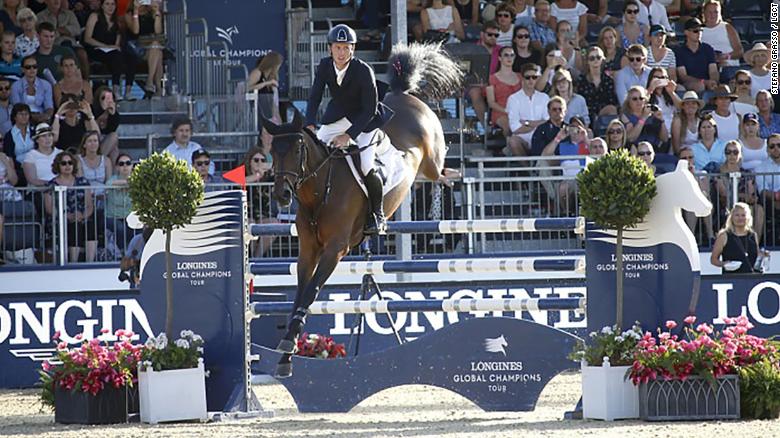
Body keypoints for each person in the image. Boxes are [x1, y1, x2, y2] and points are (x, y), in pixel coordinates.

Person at [304, 24, 393, 234]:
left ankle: (377, 215)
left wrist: (348, 136)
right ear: (330, 49)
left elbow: (370, 109)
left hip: (365, 120)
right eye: (338, 48)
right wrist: (309, 121)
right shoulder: (324, 66)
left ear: (353, 49)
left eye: (346, 48)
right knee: (315, 150)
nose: (342, 52)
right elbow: (315, 95)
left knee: (365, 165)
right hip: (340, 115)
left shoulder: (363, 70)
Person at [44, 150, 97, 262]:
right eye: (63, 163)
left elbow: (89, 205)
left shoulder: (83, 182)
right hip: (59, 220)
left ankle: (90, 262)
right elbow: (49, 208)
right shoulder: (51, 185)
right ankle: (73, 262)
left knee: (90, 226)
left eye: (70, 163)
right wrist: (67, 216)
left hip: (81, 218)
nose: (67, 166)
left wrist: (82, 215)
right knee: (74, 226)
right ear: (58, 166)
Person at [83, 0, 135, 100]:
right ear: (102, 6)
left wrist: (114, 46)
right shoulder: (94, 16)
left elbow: (117, 40)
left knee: (131, 57)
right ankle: (115, 89)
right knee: (117, 56)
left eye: (112, 4)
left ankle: (128, 91)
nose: (110, 7)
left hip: (111, 51)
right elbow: (87, 38)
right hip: (96, 49)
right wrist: (106, 46)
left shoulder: (117, 20)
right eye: (107, 4)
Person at [716, 140, 764, 243]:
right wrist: (742, 195)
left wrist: (747, 197)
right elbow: (723, 194)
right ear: (725, 154)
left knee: (758, 209)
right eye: (728, 152)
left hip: (744, 207)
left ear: (740, 154)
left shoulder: (747, 173)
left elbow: (752, 197)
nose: (732, 155)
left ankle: (755, 243)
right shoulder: (718, 172)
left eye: (735, 152)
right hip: (724, 206)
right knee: (733, 210)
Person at [505, 62, 549, 156]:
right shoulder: (513, 99)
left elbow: (548, 121)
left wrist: (527, 123)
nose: (531, 80)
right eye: (527, 77)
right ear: (522, 78)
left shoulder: (544, 97)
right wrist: (537, 125)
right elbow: (515, 127)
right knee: (513, 141)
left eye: (534, 77)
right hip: (522, 138)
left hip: (541, 137)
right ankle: (528, 170)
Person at [36, 0, 89, 76]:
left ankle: (85, 81)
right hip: (54, 45)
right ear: (46, 1)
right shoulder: (40, 16)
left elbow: (77, 30)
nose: (57, 1)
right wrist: (66, 30)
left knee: (82, 54)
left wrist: (59, 30)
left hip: (72, 44)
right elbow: (44, 33)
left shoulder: (69, 14)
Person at [243, 146, 278, 257]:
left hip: (264, 214)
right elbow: (236, 182)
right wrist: (257, 176)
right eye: (256, 160)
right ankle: (250, 257)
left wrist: (268, 170)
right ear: (249, 162)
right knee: (250, 224)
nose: (259, 163)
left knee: (273, 224)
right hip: (247, 214)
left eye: (263, 160)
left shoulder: (268, 177)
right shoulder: (242, 173)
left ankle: (257, 258)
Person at [124, 0, 164, 97]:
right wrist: (136, 12)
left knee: (157, 49)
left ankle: (150, 82)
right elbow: (135, 31)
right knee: (158, 54)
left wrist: (157, 12)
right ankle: (157, 89)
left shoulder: (152, 12)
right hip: (137, 48)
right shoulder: (129, 14)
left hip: (152, 47)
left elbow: (158, 31)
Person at [710, 202, 760, 274]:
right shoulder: (724, 236)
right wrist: (724, 264)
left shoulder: (753, 235)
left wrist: (763, 256)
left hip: (751, 278)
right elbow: (713, 259)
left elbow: (756, 256)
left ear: (748, 217)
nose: (740, 218)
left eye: (743, 215)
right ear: (732, 217)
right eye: (737, 215)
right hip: (731, 278)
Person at [679, 146, 714, 243]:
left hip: (699, 200)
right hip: (682, 202)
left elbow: (705, 190)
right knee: (690, 203)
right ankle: (691, 236)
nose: (688, 160)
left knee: (705, 200)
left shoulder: (702, 173)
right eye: (684, 158)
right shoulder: (676, 174)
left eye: (690, 157)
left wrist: (693, 175)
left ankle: (710, 235)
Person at [674, 17, 718, 94]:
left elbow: (713, 71)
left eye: (701, 30)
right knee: (699, 86)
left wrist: (713, 81)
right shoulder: (679, 51)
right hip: (690, 84)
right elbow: (683, 76)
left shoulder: (708, 48)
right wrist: (704, 82)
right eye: (695, 31)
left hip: (707, 83)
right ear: (686, 32)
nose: (699, 33)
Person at [575, 46, 618, 124]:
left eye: (598, 57)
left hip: (605, 114)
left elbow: (612, 101)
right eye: (592, 58)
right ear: (587, 61)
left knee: (612, 109)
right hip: (587, 114)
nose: (595, 60)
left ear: (602, 59)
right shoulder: (581, 80)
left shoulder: (608, 79)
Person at [486, 46, 522, 136]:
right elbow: (491, 102)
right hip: (501, 112)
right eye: (506, 55)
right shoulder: (492, 78)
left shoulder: (520, 77)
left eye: (512, 55)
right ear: (499, 58)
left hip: (520, 112)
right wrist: (507, 111)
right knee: (509, 126)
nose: (509, 58)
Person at [620, 85, 667, 150]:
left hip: (655, 149)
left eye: (641, 98)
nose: (638, 101)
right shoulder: (626, 116)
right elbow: (630, 138)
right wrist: (643, 118)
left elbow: (664, 139)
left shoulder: (652, 114)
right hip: (637, 151)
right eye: (634, 99)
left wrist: (662, 120)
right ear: (628, 102)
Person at [10, 54, 53, 124]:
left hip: (41, 118)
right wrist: (32, 117)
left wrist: (46, 116)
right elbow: (17, 108)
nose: (32, 69)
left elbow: (49, 106)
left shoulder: (46, 85)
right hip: (22, 119)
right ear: (22, 69)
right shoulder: (15, 86)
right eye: (28, 67)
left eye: (34, 66)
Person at [105, 152, 134, 251]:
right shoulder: (113, 178)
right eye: (121, 164)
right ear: (117, 167)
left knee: (135, 229)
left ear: (132, 165)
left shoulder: (138, 179)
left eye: (128, 163)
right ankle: (123, 252)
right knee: (120, 228)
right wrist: (128, 183)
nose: (125, 166)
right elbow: (108, 185)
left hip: (130, 216)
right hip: (113, 216)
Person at [699, 0, 741, 67]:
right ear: (704, 13)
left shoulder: (727, 27)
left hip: (728, 65)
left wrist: (725, 56)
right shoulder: (698, 29)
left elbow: (739, 51)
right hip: (707, 67)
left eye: (715, 12)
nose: (712, 15)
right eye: (709, 12)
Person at [645, 67, 680, 134]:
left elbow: (681, 108)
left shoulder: (669, 94)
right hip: (657, 127)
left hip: (674, 128)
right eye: (657, 77)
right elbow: (641, 104)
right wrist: (650, 89)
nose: (660, 80)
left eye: (663, 77)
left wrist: (671, 92)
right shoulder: (646, 93)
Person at [92, 85, 119, 162]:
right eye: (103, 98)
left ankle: (111, 173)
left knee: (114, 148)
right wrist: (102, 110)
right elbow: (94, 132)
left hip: (106, 142)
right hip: (92, 140)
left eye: (110, 98)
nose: (107, 101)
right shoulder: (92, 110)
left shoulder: (115, 115)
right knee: (114, 147)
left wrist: (112, 115)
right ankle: (97, 162)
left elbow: (111, 130)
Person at [756, 134, 780, 212]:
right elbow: (763, 191)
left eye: (779, 145)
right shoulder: (760, 168)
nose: (776, 148)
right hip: (772, 202)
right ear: (767, 149)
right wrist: (777, 196)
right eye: (772, 146)